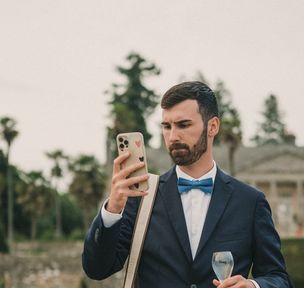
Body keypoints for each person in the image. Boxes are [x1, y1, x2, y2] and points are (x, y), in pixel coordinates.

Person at [83, 81, 293, 288]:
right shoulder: (141, 197)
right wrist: (112, 210)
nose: (173, 136)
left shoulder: (250, 202)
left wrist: (254, 286)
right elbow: (97, 269)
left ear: (212, 127)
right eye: (166, 126)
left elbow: (278, 278)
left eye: (183, 125)